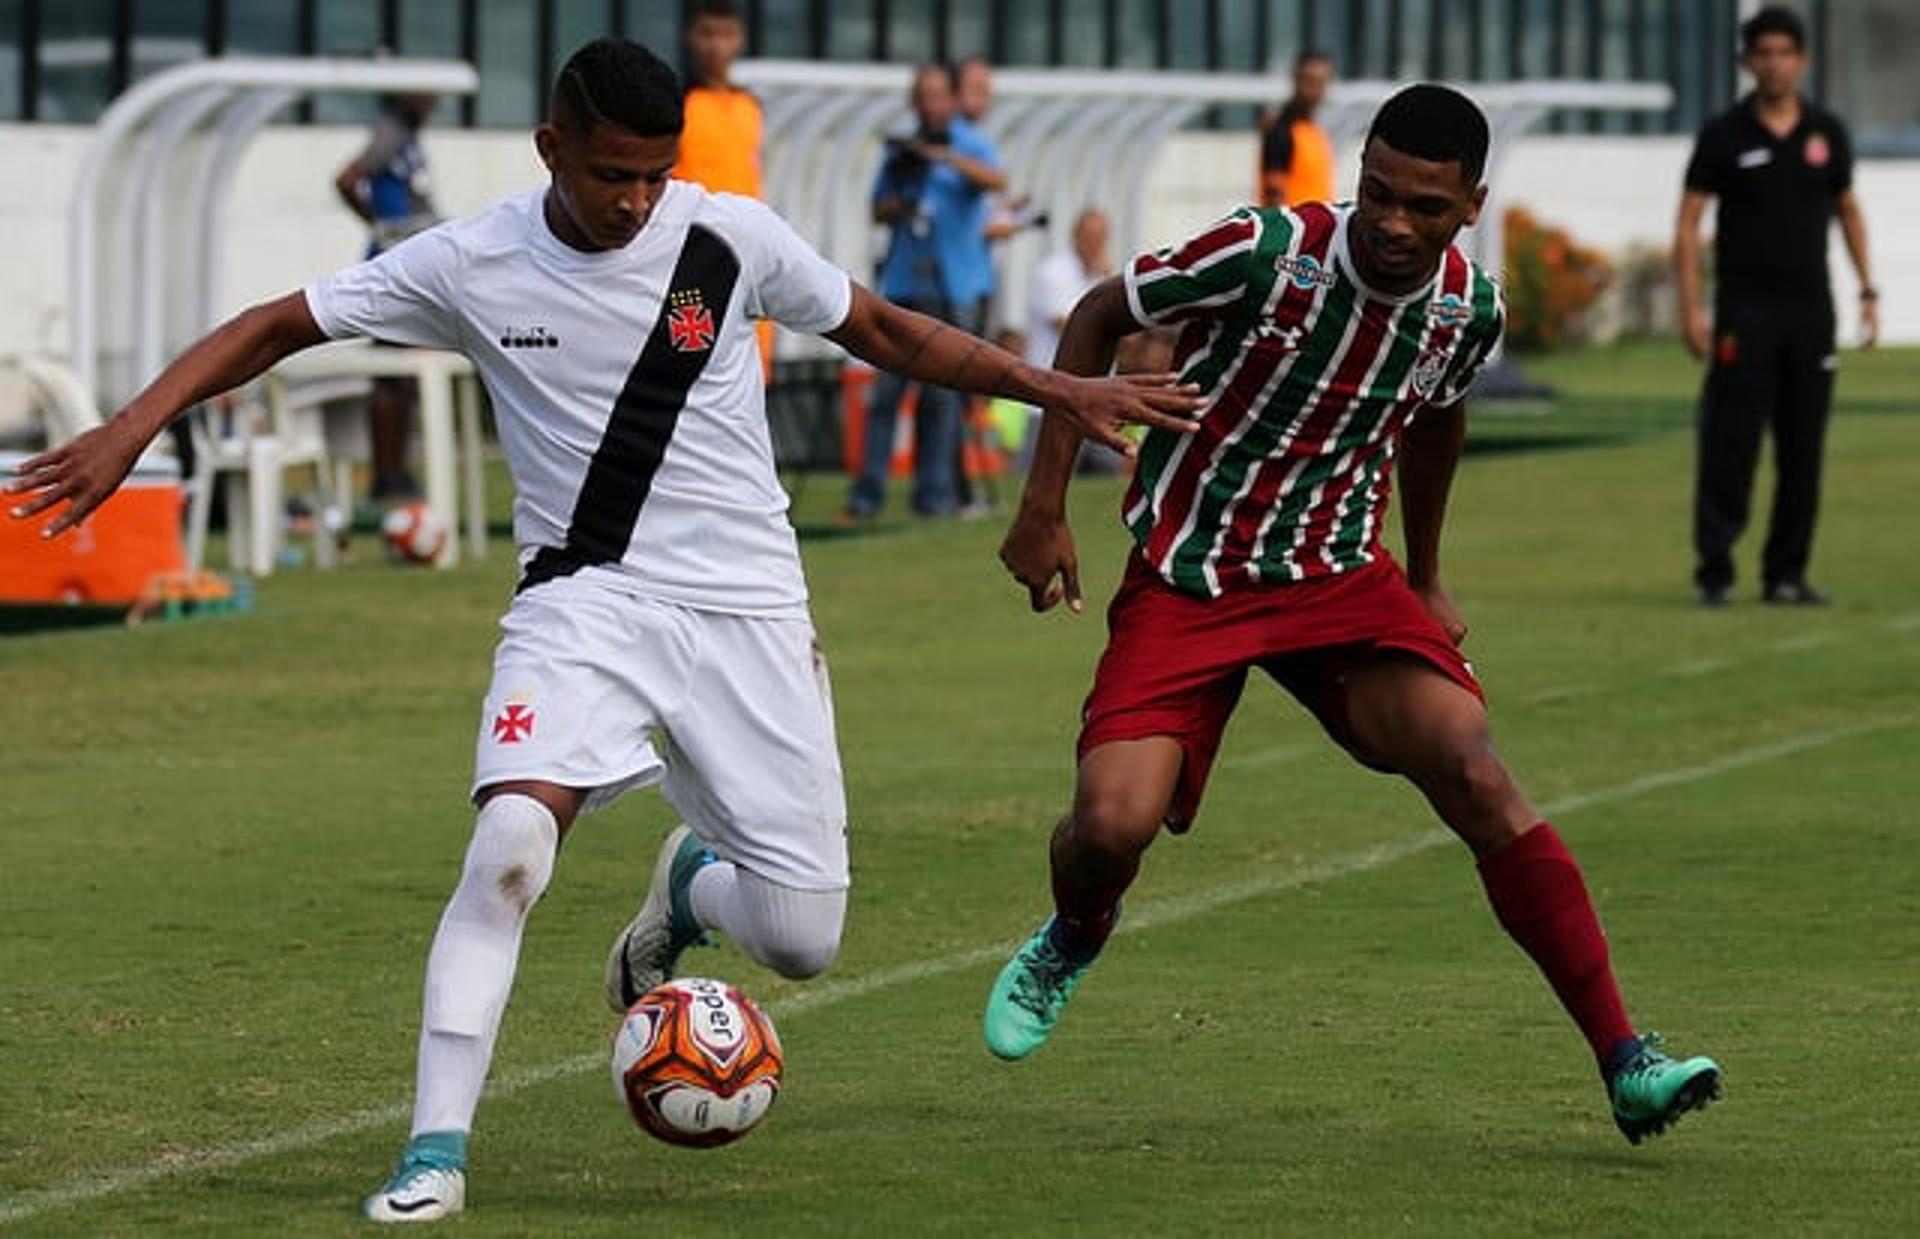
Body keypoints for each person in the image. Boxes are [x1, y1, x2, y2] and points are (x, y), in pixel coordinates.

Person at [8, 37, 1200, 1224]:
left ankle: (687, 884)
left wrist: (1061, 389)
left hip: (750, 614)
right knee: (512, 846)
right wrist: (130, 431)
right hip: (584, 603)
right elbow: (278, 324)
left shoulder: (725, 239)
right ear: (552, 151)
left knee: (802, 939)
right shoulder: (471, 259)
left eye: (653, 174)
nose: (637, 200)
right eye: (611, 174)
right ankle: (433, 1154)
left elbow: (887, 331)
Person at [981, 84, 1723, 1148]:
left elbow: (1437, 418)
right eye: (1377, 192)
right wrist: (1044, 503)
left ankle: (1625, 1058)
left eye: (1423, 205)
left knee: (1474, 765)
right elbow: (1102, 312)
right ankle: (1075, 930)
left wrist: (1425, 572)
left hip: (1338, 580)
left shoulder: (1470, 310)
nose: (1390, 222)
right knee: (1108, 826)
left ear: (1469, 203)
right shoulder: (1263, 250)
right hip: (1192, 576)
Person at [1674, 5, 1875, 608]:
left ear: (1802, 60)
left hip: (1810, 314)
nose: (1775, 64)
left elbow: (1848, 211)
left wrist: (1867, 291)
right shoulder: (1724, 134)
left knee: (1803, 447)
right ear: (1746, 62)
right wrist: (1691, 309)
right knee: (1730, 443)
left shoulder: (1825, 133)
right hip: (1744, 312)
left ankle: (1786, 573)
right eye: (1763, 53)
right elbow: (1688, 225)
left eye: (1785, 52)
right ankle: (1716, 568)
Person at [844, 63, 1007, 522]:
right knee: (887, 393)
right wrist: (903, 192)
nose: (931, 105)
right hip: (904, 282)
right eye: (924, 96)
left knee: (942, 396)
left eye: (939, 96)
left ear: (952, 100)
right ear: (914, 102)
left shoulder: (968, 143)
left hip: (956, 283)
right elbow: (878, 209)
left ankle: (934, 496)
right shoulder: (901, 153)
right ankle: (867, 495)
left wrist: (945, 158)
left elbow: (997, 180)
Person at [334, 90, 440, 502]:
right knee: (390, 375)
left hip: (410, 261)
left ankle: (395, 474)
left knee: (402, 377)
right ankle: (387, 476)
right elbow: (346, 179)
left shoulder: (406, 136)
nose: (432, 104)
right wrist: (378, 224)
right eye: (425, 96)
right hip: (395, 268)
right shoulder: (391, 133)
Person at [673, 0, 777, 378]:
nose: (716, 46)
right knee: (692, 363)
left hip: (748, 255)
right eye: (707, 34)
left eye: (725, 34)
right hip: (690, 257)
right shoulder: (678, 104)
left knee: (751, 369)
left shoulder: (750, 106)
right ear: (690, 38)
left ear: (740, 40)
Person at [1027, 208, 1121, 472]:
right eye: (1090, 236)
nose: (1096, 244)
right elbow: (1072, 328)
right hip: (1053, 394)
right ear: (1074, 236)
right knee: (1047, 473)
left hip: (1098, 396)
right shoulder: (1052, 273)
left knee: (1105, 474)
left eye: (1101, 238)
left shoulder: (1103, 276)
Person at [1257, 50, 1335, 209]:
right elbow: (1273, 192)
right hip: (1296, 229)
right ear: (1295, 79)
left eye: (1321, 82)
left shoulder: (1315, 131)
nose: (1315, 89)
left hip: (1317, 229)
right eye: (1309, 80)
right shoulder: (1281, 130)